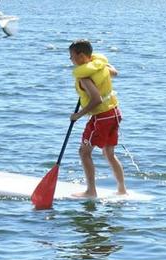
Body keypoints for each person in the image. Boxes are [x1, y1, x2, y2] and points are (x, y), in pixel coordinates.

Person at [68, 39, 127, 198]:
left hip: (101, 118)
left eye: (72, 56)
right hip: (115, 113)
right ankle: (122, 190)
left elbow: (96, 100)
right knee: (109, 153)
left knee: (84, 152)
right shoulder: (102, 67)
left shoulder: (84, 77)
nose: (71, 60)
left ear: (81, 56)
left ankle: (91, 191)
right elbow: (115, 72)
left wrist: (78, 115)